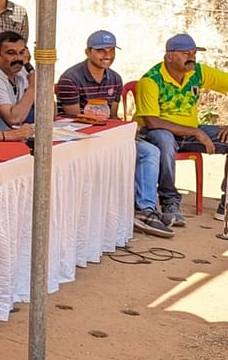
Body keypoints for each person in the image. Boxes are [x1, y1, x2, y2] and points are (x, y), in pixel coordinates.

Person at [135, 34, 228, 225]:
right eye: (185, 53)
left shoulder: (198, 72)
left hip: (189, 132)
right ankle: (169, 202)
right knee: (164, 139)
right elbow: (153, 122)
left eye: (193, 53)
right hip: (157, 133)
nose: (191, 57)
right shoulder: (151, 80)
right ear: (169, 56)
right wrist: (196, 132)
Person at [56, 30, 172, 238]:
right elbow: (71, 115)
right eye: (101, 51)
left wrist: (124, 133)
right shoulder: (70, 78)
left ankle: (146, 209)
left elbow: (112, 115)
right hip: (76, 138)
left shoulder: (115, 78)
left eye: (110, 50)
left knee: (149, 151)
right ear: (88, 52)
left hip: (105, 135)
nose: (106, 55)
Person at [0, 31, 36, 130]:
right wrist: (33, 87)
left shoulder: (22, 72)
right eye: (11, 53)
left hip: (15, 134)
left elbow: (49, 113)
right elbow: (14, 119)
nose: (19, 58)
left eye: (21, 52)